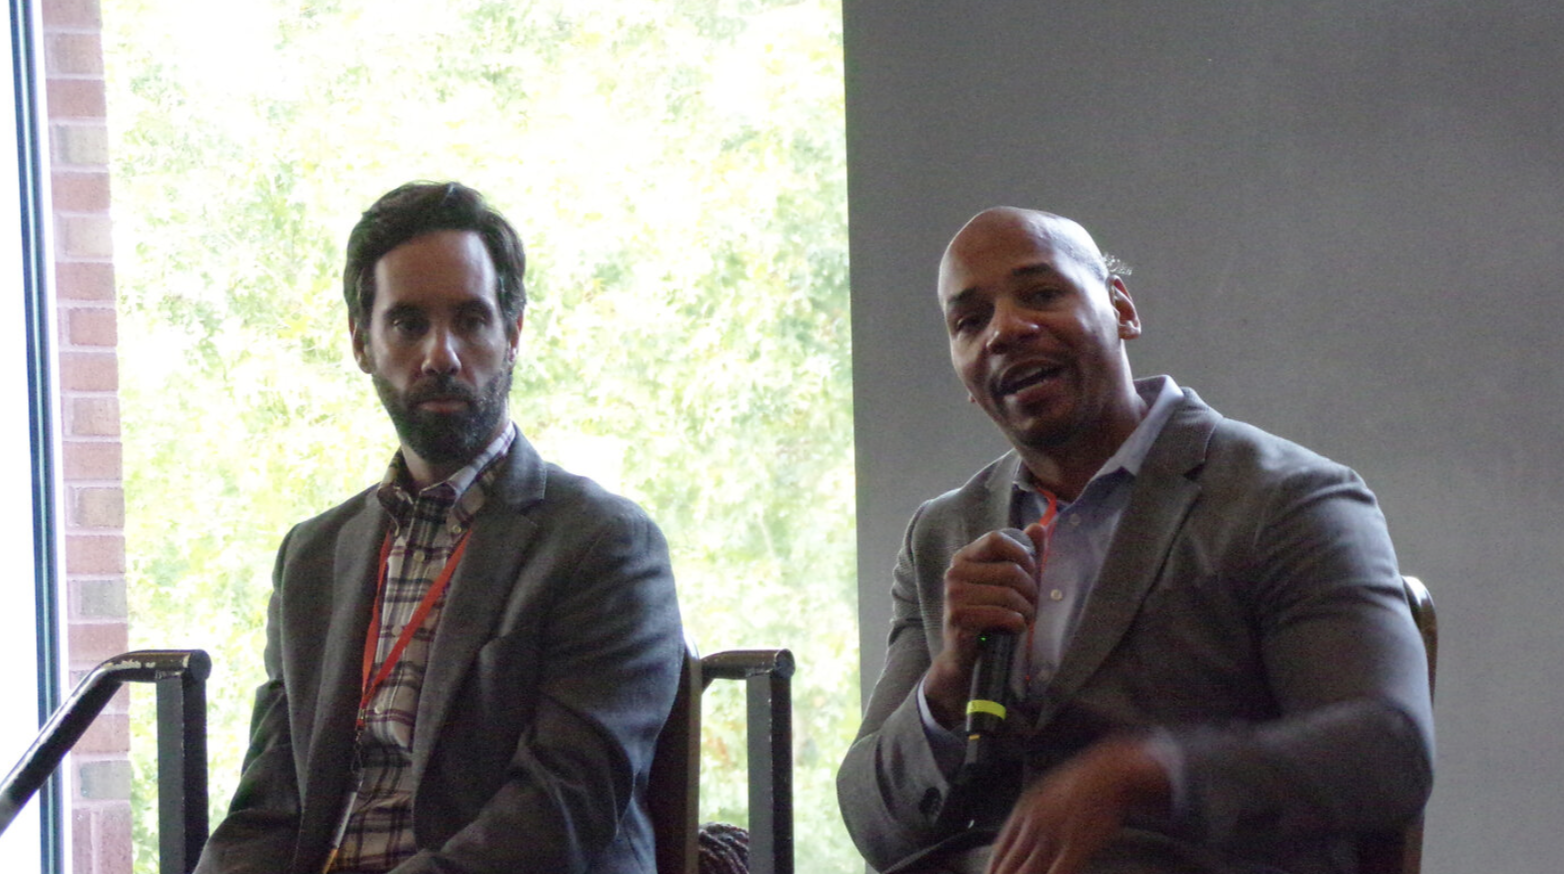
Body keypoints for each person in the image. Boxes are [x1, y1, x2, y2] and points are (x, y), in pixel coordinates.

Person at [836, 207, 1433, 874]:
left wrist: (1151, 773)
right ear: (966, 377)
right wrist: (945, 686)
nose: (1005, 330)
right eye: (970, 321)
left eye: (1041, 293)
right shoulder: (944, 534)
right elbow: (873, 823)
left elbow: (1387, 753)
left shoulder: (1287, 497)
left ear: (1122, 309)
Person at [195, 181, 685, 874]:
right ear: (361, 343)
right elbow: (268, 811)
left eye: (470, 320)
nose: (441, 355)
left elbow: (558, 814)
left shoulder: (602, 545)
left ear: (512, 335)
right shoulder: (313, 557)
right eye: (408, 323)